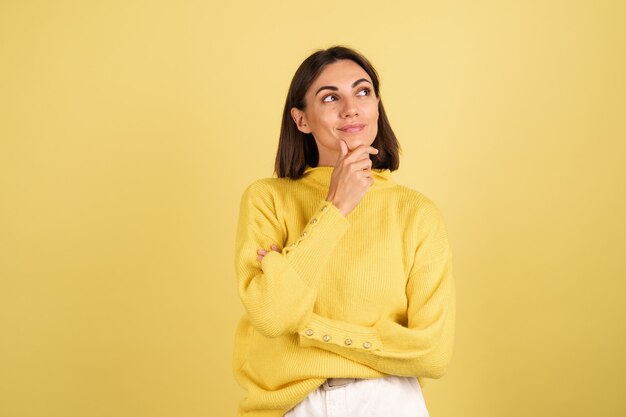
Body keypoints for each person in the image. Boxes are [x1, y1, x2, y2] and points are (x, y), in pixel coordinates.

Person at [233, 46, 455, 417]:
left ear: (377, 106)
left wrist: (306, 328)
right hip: (290, 407)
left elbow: (432, 354)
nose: (351, 108)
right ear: (301, 120)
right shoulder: (267, 200)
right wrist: (336, 207)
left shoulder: (416, 213)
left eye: (363, 92)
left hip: (386, 403)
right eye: (330, 97)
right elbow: (273, 315)